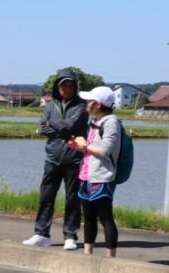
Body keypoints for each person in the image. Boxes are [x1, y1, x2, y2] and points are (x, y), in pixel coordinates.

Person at [25, 69, 88, 250]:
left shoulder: (82, 106)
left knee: (72, 199)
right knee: (46, 196)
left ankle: (70, 236)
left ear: (75, 87)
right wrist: (63, 131)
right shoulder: (50, 105)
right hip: (52, 158)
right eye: (63, 85)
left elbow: (72, 124)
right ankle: (41, 234)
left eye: (70, 85)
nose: (67, 88)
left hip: (74, 159)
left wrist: (52, 122)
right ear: (57, 87)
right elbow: (42, 128)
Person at [69, 86, 122, 258]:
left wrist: (84, 144)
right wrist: (77, 146)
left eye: (89, 101)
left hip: (102, 177)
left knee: (106, 218)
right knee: (89, 217)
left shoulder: (111, 123)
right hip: (87, 176)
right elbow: (91, 150)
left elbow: (104, 151)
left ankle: (110, 258)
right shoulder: (94, 122)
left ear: (98, 105)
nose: (86, 103)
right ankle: (87, 255)